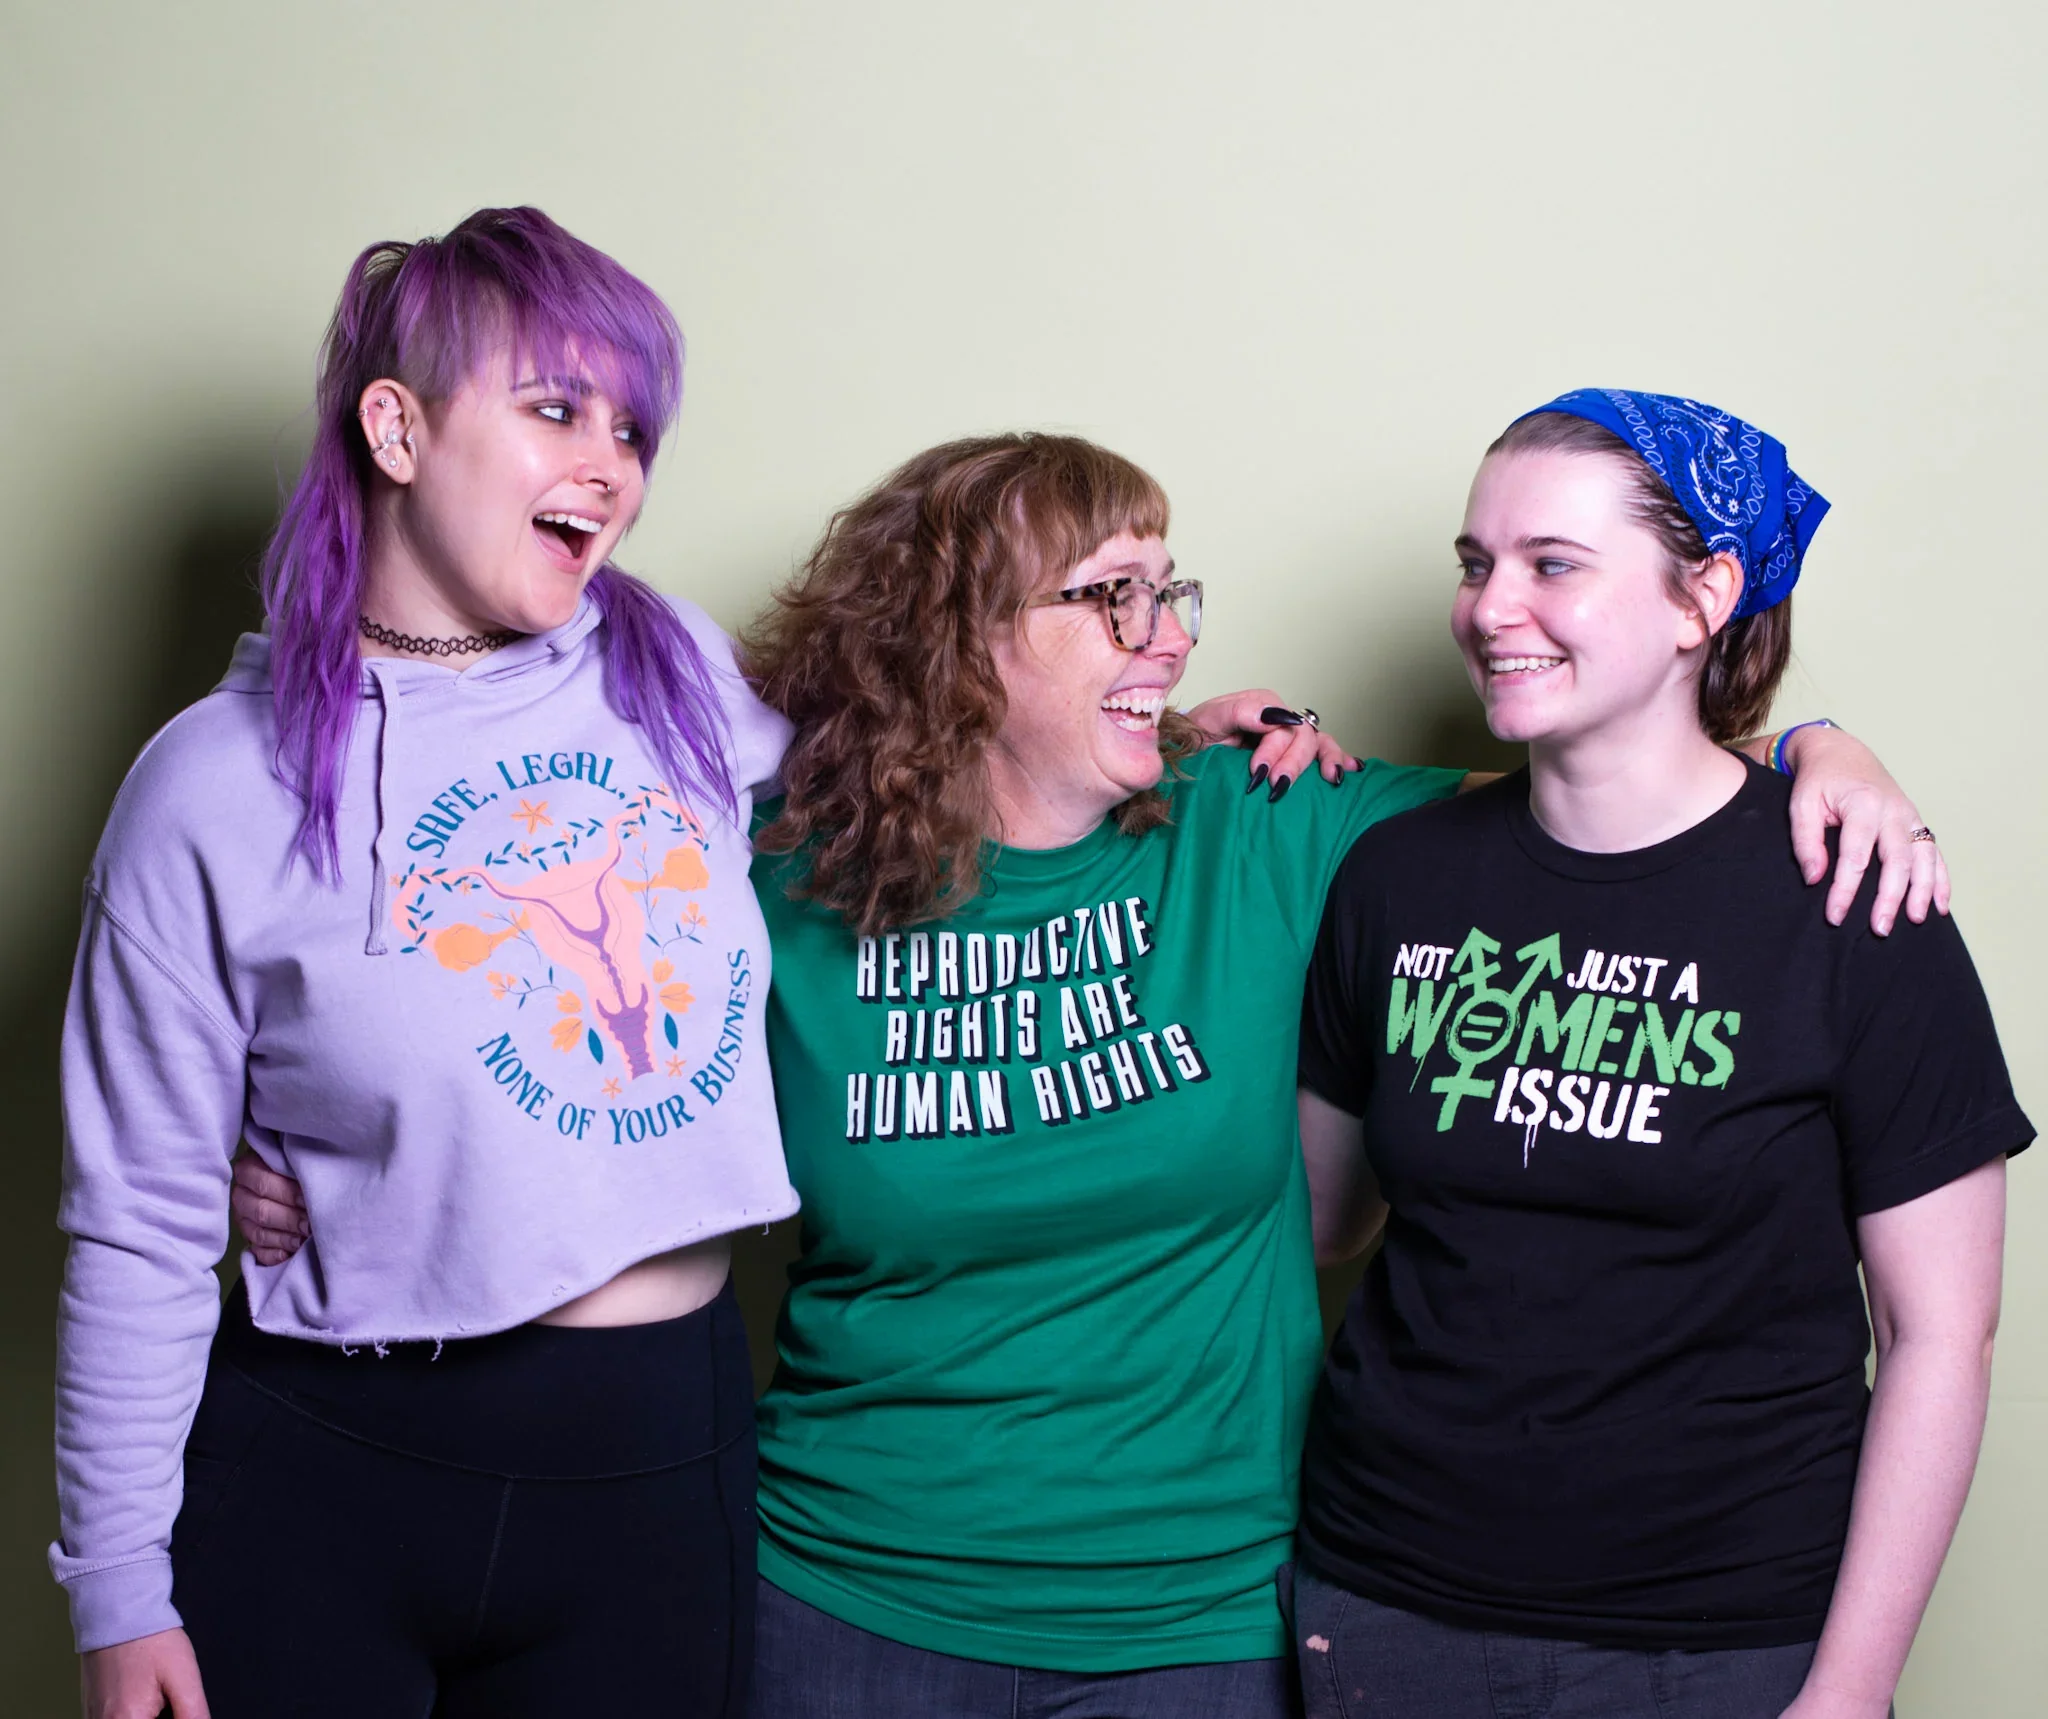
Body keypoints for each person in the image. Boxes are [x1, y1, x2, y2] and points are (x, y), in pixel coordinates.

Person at [235, 431, 1937, 1716]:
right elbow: (501, 998)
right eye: (1109, 596)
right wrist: (320, 1159)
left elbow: (1616, 792)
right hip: (842, 1601)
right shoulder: (768, 874)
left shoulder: (1272, 825)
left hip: (1199, 1625)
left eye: (1168, 592)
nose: (1166, 635)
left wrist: (1813, 745)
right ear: (962, 639)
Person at [53, 207, 800, 1719]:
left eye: (632, 427)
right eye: (555, 410)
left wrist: (1172, 733)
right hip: (328, 1463)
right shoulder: (208, 785)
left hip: (657, 1463)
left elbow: (942, 783)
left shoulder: (675, 672)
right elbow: (137, 1221)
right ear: (396, 429)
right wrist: (118, 1587)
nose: (611, 464)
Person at [1289, 391, 2031, 1719]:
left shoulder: (1850, 893)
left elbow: (1940, 1336)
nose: (1491, 608)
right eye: (1475, 563)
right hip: (1388, 1605)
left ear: (1705, 598)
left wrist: (1851, 1688)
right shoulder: (1395, 877)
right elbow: (1324, 1222)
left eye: (1552, 564)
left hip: (1725, 1641)